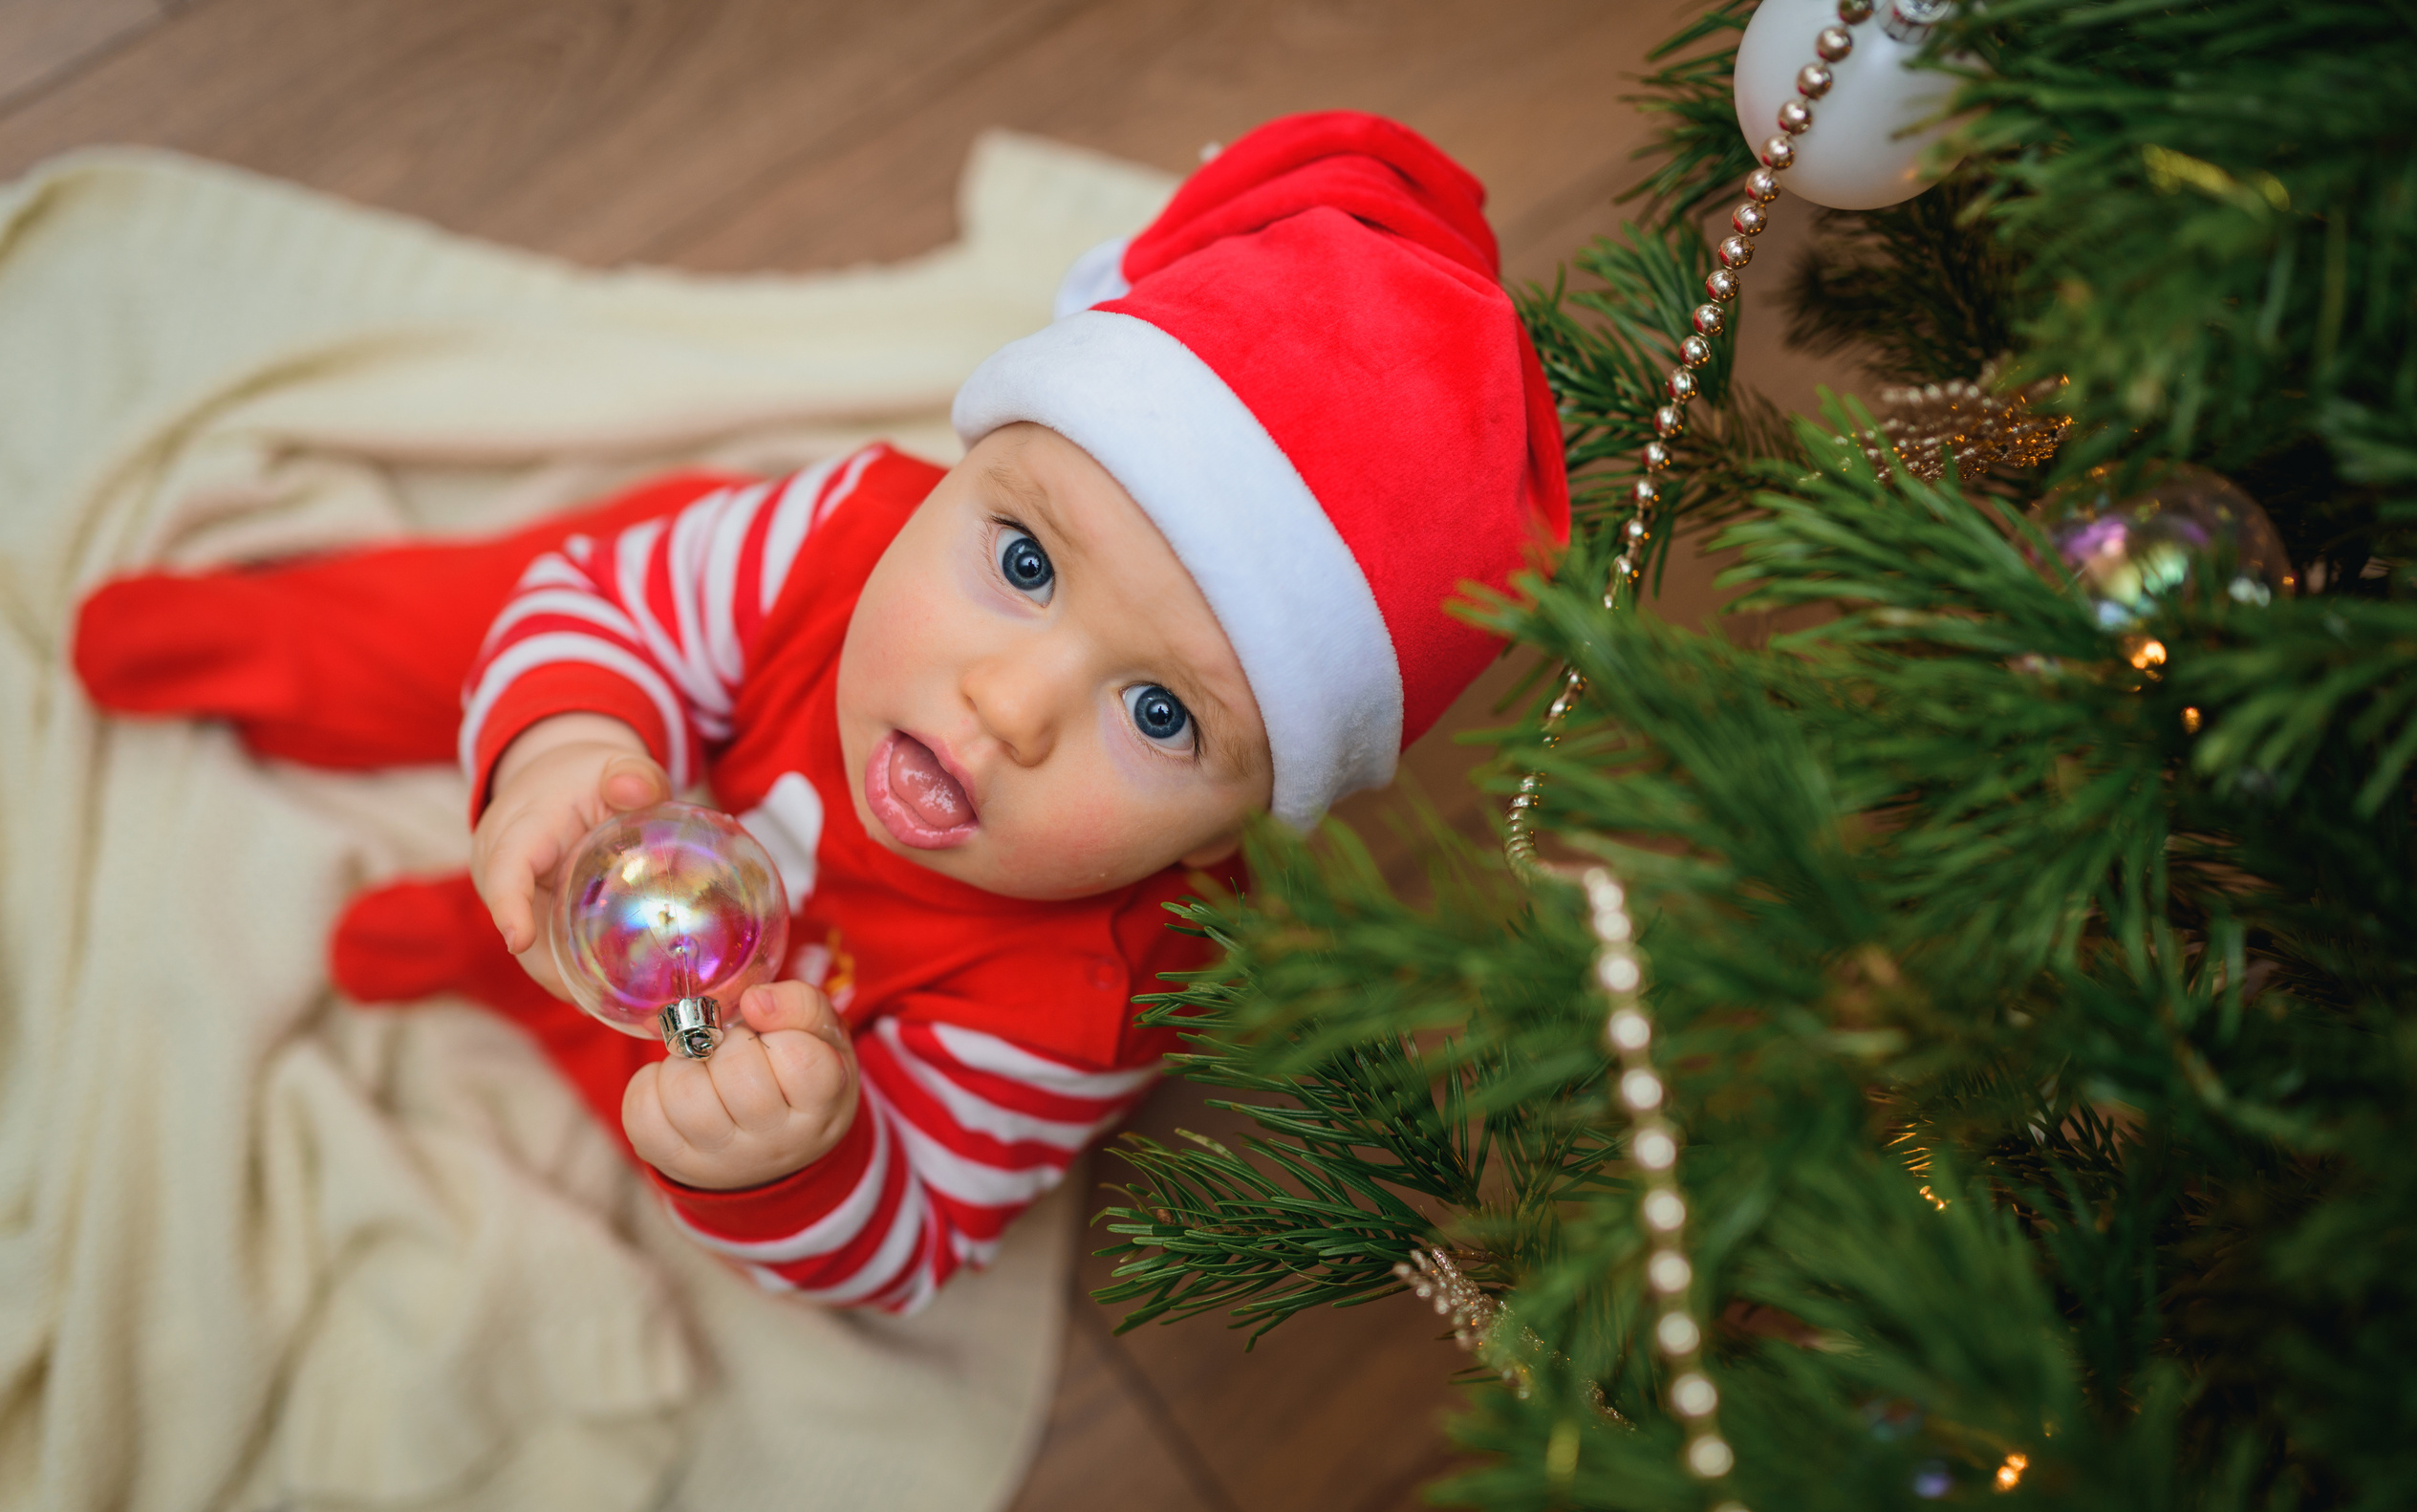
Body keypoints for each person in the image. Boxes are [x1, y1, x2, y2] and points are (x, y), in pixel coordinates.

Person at [70, 111, 1568, 1312]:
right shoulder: (847, 529)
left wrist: (805, 1159)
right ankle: (291, 645)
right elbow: (605, 608)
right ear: (960, 474)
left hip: (756, 1005)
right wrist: (569, 742)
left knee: (691, 1085)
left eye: (1165, 715)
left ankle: (509, 963)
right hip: (688, 717)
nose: (1010, 705)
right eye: (1027, 564)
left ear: (1232, 819)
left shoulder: (1092, 997)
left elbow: (913, 1235)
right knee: (487, 624)